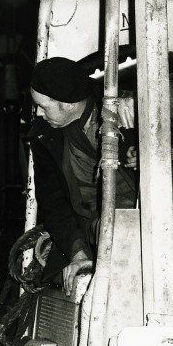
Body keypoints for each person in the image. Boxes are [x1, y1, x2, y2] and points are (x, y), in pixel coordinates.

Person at [27, 56, 138, 295]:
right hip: (87, 231)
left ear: (68, 104)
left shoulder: (129, 111)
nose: (38, 113)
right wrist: (77, 252)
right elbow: (53, 202)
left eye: (43, 106)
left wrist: (146, 156)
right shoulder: (43, 137)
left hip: (138, 226)